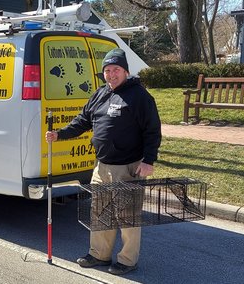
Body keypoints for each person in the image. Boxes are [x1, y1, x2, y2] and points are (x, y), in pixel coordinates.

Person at [45, 48, 161, 276]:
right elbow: (82, 121)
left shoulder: (139, 96)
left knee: (127, 215)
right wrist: (60, 134)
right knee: (100, 211)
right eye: (107, 70)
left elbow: (152, 131)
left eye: (115, 69)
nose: (111, 74)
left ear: (125, 71)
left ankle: (127, 259)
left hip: (128, 166)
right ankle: (99, 253)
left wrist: (148, 160)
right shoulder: (100, 94)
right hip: (102, 166)